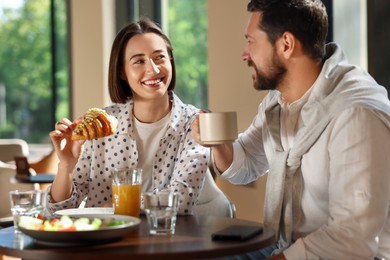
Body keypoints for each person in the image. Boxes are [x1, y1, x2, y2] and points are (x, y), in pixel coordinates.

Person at [191, 0, 390, 259]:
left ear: (286, 44)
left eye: (251, 42)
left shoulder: (356, 115)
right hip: (285, 246)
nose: (244, 54)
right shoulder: (278, 102)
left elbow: (351, 236)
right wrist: (216, 143)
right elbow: (248, 161)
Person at [48, 18, 209, 215]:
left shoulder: (195, 124)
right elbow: (59, 210)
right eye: (139, 61)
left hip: (165, 240)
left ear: (171, 61)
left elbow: (181, 200)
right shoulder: (100, 125)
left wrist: (120, 205)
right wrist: (66, 166)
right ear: (122, 72)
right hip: (105, 241)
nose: (153, 70)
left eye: (159, 58)